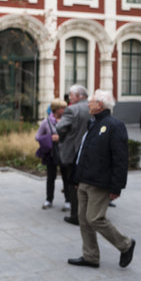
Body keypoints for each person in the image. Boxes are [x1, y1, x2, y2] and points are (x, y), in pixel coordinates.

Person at [67, 89, 135, 268]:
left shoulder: (114, 126)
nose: (88, 104)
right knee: (83, 219)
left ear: (100, 105)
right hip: (84, 181)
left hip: (100, 183)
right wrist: (76, 178)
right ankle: (90, 256)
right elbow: (84, 152)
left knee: (95, 219)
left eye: (91, 101)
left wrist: (116, 188)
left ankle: (125, 244)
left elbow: (120, 159)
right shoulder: (93, 124)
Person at [56, 85, 91, 226]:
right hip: (88, 153)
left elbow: (60, 127)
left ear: (79, 96)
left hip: (72, 152)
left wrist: (64, 138)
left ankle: (75, 215)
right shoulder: (92, 108)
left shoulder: (72, 109)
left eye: (71, 95)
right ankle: (87, 213)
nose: (69, 98)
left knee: (71, 183)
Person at [35, 99, 69, 211]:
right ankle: (49, 199)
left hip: (65, 152)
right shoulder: (46, 122)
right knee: (51, 177)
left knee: (66, 177)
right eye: (62, 108)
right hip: (52, 153)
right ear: (56, 109)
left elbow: (71, 135)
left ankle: (68, 200)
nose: (64, 110)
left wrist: (61, 138)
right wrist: (50, 138)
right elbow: (37, 136)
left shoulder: (67, 120)